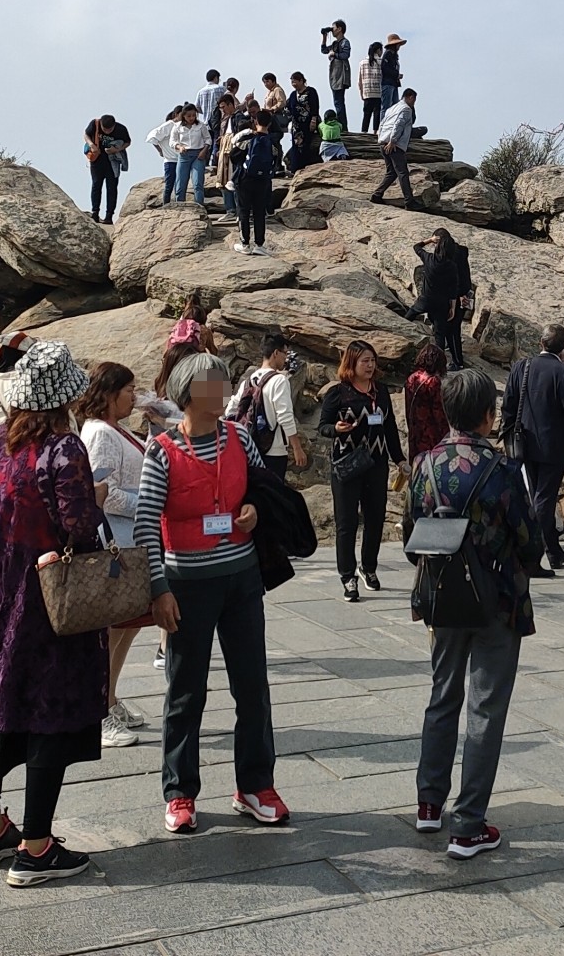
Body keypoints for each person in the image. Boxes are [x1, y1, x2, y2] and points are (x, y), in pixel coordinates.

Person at [0, 339, 106, 887]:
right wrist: (99, 498)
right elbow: (77, 527)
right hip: (45, 598)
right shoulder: (64, 449)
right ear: (64, 396)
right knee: (49, 714)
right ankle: (35, 847)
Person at [136, 351, 291, 832]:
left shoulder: (240, 436)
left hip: (241, 579)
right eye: (215, 382)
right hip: (187, 585)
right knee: (185, 691)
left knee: (253, 686)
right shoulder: (161, 450)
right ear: (189, 393)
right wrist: (159, 590)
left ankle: (255, 786)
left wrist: (254, 511)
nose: (224, 389)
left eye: (224, 381)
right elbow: (145, 524)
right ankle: (180, 792)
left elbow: (263, 489)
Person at [407, 367, 541, 860]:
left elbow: (409, 539)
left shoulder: (423, 465)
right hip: (497, 602)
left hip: (442, 599)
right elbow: (532, 542)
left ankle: (428, 804)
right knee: (485, 707)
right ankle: (468, 825)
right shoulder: (503, 471)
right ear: (489, 415)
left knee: (442, 696)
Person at [76, 362, 153, 749]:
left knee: (129, 623)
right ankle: (97, 708)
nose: (134, 397)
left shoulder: (115, 429)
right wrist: (151, 503)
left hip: (131, 540)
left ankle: (109, 696)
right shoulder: (101, 434)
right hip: (115, 541)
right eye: (129, 390)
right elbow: (100, 490)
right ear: (108, 394)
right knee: (112, 627)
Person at [318, 339, 404, 601]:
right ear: (351, 363)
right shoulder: (338, 393)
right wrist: (336, 429)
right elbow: (323, 426)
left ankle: (369, 568)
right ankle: (347, 576)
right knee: (347, 522)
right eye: (364, 360)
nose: (370, 365)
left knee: (375, 518)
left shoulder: (381, 391)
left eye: (372, 360)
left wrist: (399, 459)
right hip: (347, 464)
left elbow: (389, 429)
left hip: (376, 465)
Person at [502, 324, 564, 573]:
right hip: (553, 448)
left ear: (541, 343)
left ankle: (554, 552)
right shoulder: (563, 372)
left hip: (524, 443)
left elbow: (508, 403)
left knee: (540, 497)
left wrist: (507, 432)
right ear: (563, 348)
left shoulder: (522, 366)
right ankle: (532, 554)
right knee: (543, 499)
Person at [235, 333, 308, 477]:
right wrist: (297, 447)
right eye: (284, 353)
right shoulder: (279, 380)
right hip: (273, 451)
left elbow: (233, 409)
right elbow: (285, 415)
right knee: (271, 495)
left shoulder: (248, 380)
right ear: (275, 353)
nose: (285, 358)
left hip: (249, 448)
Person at [408, 227, 472, 363]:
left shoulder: (447, 259)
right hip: (452, 298)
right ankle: (444, 357)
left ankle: (457, 362)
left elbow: (459, 282)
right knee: (443, 330)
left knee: (451, 330)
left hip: (457, 297)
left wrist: (457, 299)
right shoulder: (458, 252)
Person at [229, 112, 277, 253]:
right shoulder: (272, 142)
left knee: (243, 211)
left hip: (245, 179)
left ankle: (245, 244)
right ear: (269, 124)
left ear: (255, 122)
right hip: (263, 181)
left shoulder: (249, 139)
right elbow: (275, 161)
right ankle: (259, 245)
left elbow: (233, 155)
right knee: (259, 212)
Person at [371, 87, 422, 209]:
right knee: (403, 172)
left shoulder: (391, 108)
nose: (414, 103)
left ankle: (377, 195)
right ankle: (409, 201)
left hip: (383, 143)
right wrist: (393, 141)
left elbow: (382, 123)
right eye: (414, 100)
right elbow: (399, 124)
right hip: (394, 145)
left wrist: (381, 139)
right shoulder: (406, 109)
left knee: (391, 172)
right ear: (410, 97)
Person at [404, 341, 450, 461]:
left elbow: (408, 406)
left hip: (415, 429)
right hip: (430, 432)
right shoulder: (433, 382)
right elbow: (438, 413)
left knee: (417, 463)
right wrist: (447, 434)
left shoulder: (412, 378)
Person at [83, 115, 130, 225]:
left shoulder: (121, 129)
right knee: (96, 185)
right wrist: (92, 145)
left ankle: (109, 216)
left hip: (112, 161)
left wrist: (117, 149)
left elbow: (128, 142)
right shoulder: (95, 124)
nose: (107, 131)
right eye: (104, 129)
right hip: (97, 160)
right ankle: (95, 212)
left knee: (112, 188)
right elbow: (86, 134)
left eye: (110, 129)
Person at [210, 94, 242, 222]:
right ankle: (230, 210)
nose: (222, 110)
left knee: (233, 180)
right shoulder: (227, 119)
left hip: (232, 152)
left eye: (224, 107)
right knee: (223, 180)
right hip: (224, 151)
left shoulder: (239, 117)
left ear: (230, 104)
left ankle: (238, 210)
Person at [146, 106, 185, 206]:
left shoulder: (183, 126)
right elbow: (152, 136)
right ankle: (166, 206)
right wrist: (160, 150)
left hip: (181, 159)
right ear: (176, 114)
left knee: (180, 186)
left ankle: (179, 205)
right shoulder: (169, 125)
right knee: (169, 185)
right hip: (170, 160)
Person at [286, 73, 322, 174]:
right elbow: (288, 107)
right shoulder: (293, 95)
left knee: (307, 146)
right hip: (296, 126)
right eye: (292, 82)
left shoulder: (311, 91)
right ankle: (295, 169)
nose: (293, 84)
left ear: (301, 81)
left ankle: (307, 169)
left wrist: (314, 120)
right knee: (296, 147)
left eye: (295, 81)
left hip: (307, 124)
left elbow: (315, 106)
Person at [321, 20, 352, 123]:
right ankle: (342, 125)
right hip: (335, 75)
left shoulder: (345, 42)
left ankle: (343, 126)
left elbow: (346, 55)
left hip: (341, 75)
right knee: (338, 101)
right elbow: (324, 50)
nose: (332, 30)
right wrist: (324, 37)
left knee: (339, 101)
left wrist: (334, 54)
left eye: (333, 28)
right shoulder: (335, 43)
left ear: (339, 29)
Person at [358, 41, 385, 131]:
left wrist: (361, 92)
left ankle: (364, 132)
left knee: (366, 114)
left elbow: (360, 80)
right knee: (377, 113)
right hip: (378, 92)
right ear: (378, 50)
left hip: (367, 92)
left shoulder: (362, 62)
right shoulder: (381, 62)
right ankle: (375, 132)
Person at [380, 33, 406, 114]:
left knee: (395, 107)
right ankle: (383, 125)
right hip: (388, 83)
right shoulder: (388, 54)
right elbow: (384, 68)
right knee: (386, 106)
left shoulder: (393, 55)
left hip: (393, 83)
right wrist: (396, 75)